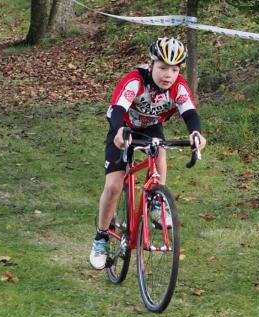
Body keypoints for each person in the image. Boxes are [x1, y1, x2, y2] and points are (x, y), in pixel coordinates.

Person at [89, 37, 207, 269]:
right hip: (122, 124)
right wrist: (119, 132)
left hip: (151, 126)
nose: (168, 75)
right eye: (162, 67)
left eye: (174, 69)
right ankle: (101, 237)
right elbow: (117, 109)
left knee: (160, 151)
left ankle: (157, 202)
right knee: (113, 186)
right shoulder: (134, 81)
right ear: (150, 64)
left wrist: (196, 133)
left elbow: (190, 113)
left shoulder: (178, 86)